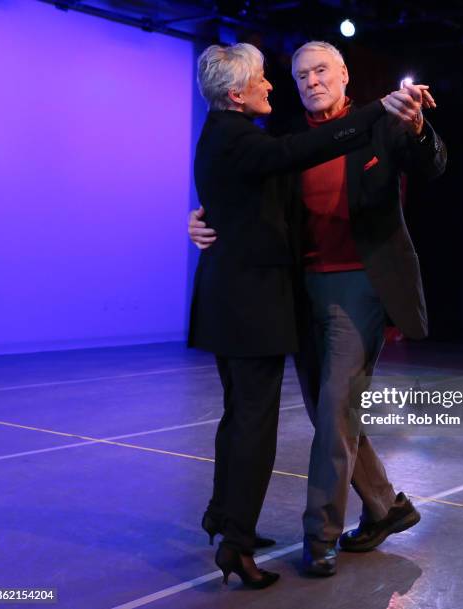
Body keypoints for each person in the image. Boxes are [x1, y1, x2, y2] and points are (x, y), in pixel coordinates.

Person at [190, 40, 447, 577]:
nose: (308, 80)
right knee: (330, 412)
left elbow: (433, 164)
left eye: (320, 69)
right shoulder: (281, 134)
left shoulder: (382, 123)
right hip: (296, 289)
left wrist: (416, 124)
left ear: (345, 75)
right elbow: (250, 187)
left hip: (359, 284)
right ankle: (387, 507)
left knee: (334, 409)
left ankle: (321, 535)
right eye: (300, 73)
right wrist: (204, 219)